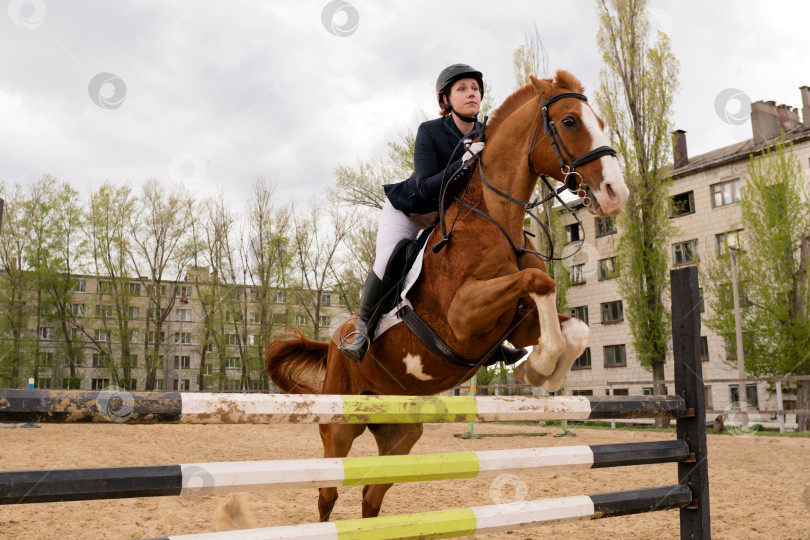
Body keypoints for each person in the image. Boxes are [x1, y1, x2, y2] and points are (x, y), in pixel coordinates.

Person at [340, 64, 526, 365]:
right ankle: (362, 330)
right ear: (446, 100)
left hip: (448, 216)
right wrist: (464, 162)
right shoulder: (430, 131)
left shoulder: (486, 133)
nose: (471, 93)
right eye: (462, 88)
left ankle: (492, 341)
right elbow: (426, 187)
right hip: (412, 210)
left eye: (475, 89)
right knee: (388, 260)